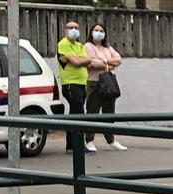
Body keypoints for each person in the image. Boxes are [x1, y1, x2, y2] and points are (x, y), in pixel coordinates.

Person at [82, 22, 126, 150]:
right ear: (91, 32)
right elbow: (91, 64)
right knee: (92, 111)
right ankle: (89, 140)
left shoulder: (107, 47)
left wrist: (104, 62)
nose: (99, 32)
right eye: (96, 30)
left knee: (109, 112)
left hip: (108, 82)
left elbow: (118, 59)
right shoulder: (88, 46)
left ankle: (111, 140)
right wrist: (108, 65)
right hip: (94, 82)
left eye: (101, 30)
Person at [54, 20, 95, 154]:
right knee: (79, 114)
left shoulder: (79, 45)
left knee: (73, 114)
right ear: (65, 30)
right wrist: (80, 60)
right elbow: (77, 62)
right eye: (71, 27)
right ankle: (78, 145)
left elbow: (87, 62)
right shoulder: (63, 44)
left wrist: (81, 60)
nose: (74, 30)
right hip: (71, 84)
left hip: (82, 83)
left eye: (76, 27)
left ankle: (71, 145)